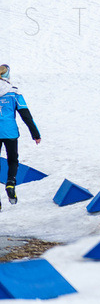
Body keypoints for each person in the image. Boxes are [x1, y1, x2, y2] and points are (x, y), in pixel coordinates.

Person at [0, 64, 42, 206]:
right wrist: (35, 134)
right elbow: (25, 115)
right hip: (10, 131)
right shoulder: (14, 92)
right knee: (12, 160)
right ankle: (10, 183)